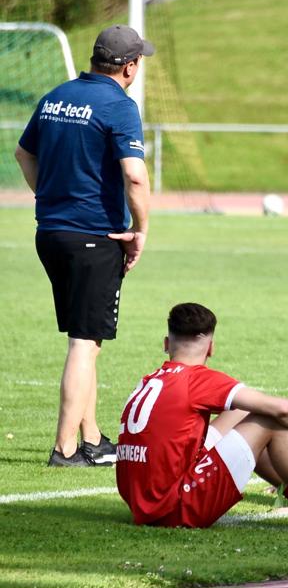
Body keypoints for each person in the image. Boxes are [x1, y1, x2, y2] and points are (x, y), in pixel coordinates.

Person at [115, 303, 288, 533]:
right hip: (174, 508)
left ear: (166, 344)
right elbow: (282, 410)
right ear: (210, 347)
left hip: (144, 504)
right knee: (270, 422)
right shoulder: (196, 379)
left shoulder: (150, 380)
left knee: (244, 412)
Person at [13, 25, 154, 467]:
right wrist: (140, 228)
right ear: (129, 66)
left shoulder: (56, 95)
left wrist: (49, 198)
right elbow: (134, 175)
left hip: (50, 232)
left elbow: (23, 153)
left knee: (87, 341)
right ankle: (65, 448)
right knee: (83, 339)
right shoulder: (119, 105)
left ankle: (91, 438)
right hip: (94, 235)